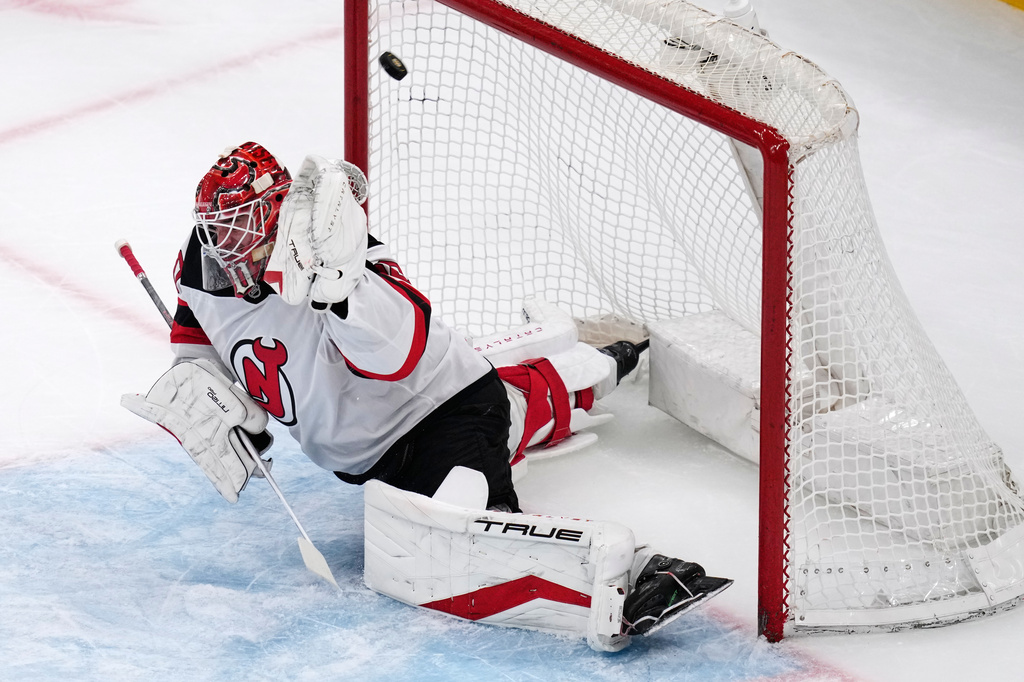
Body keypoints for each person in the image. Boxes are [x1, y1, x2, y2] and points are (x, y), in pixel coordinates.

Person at [122, 142, 730, 651]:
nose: (228, 250)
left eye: (242, 232)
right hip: (376, 451)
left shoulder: (341, 257)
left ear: (278, 216)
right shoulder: (205, 262)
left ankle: (638, 574)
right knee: (516, 412)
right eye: (219, 232)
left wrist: (342, 291)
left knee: (464, 525)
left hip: (443, 412)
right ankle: (586, 368)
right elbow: (195, 329)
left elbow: (397, 356)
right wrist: (208, 391)